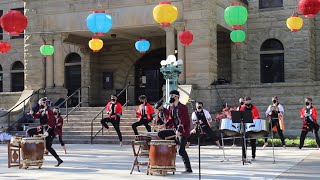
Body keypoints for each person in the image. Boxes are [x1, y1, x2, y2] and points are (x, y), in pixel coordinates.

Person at [157, 90, 192, 173]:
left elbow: (184, 121)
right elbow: (171, 119)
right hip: (174, 130)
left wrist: (179, 130)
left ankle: (188, 169)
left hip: (182, 131)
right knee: (161, 134)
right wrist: (164, 125)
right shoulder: (172, 108)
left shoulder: (183, 107)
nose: (170, 97)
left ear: (176, 96)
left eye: (172, 95)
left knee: (181, 151)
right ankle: (175, 144)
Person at [30, 97, 63, 167]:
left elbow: (51, 123)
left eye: (41, 102)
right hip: (43, 128)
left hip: (49, 130)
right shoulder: (42, 110)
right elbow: (37, 116)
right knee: (29, 131)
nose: (40, 104)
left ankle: (59, 159)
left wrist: (47, 132)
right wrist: (32, 114)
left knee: (48, 147)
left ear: (44, 103)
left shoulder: (49, 111)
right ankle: (30, 148)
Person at [240, 96, 260, 161]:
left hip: (252, 126)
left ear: (250, 101)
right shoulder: (242, 108)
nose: (248, 102)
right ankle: (244, 156)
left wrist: (254, 119)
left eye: (249, 100)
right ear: (244, 101)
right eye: (246, 101)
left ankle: (253, 156)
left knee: (253, 141)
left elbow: (257, 117)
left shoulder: (254, 108)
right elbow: (240, 116)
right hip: (245, 126)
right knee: (244, 141)